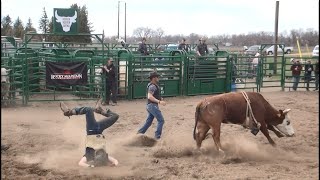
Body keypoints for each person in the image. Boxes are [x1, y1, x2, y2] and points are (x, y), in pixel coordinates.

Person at [60, 99, 119, 168]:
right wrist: (114, 164)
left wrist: (91, 166)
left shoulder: (89, 156)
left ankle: (68, 112)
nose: (100, 153)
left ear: (95, 158)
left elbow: (80, 163)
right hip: (100, 130)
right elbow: (115, 161)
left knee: (88, 110)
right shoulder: (105, 157)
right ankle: (99, 110)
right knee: (115, 116)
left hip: (91, 130)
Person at [137, 71, 166, 140]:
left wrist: (160, 99)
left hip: (150, 106)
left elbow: (152, 96)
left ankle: (138, 134)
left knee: (148, 122)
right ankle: (157, 137)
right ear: (153, 78)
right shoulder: (153, 86)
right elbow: (150, 96)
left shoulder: (152, 85)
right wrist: (159, 101)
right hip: (152, 106)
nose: (158, 78)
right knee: (161, 120)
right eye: (157, 77)